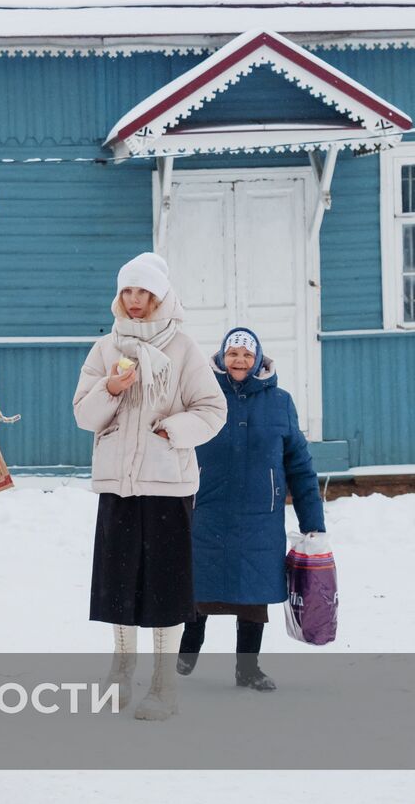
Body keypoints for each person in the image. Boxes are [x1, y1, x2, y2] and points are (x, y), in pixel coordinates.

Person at [73, 252, 226, 720]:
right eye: (128, 292)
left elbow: (212, 410)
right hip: (119, 485)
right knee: (117, 582)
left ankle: (163, 686)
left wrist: (173, 431)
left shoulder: (183, 348)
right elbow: (83, 414)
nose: (135, 301)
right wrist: (113, 390)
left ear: (160, 296)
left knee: (164, 585)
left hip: (168, 485)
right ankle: (120, 673)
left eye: (144, 292)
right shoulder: (106, 349)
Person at [182, 327, 325, 691]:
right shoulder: (202, 397)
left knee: (253, 596)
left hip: (260, 515)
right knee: (200, 583)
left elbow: (300, 467)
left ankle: (248, 669)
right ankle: (188, 647)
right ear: (222, 357)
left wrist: (313, 523)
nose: (239, 361)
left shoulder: (280, 402)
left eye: (246, 355)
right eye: (233, 354)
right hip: (208, 508)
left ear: (258, 359)